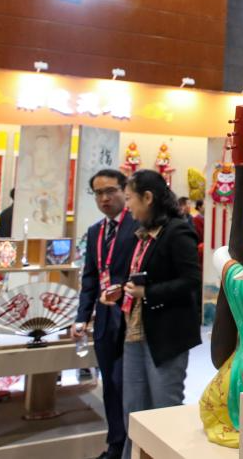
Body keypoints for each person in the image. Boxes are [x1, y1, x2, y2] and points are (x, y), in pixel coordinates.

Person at [119, 170, 201, 459]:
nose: (127, 206)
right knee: (134, 409)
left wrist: (148, 293)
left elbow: (191, 280)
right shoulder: (141, 234)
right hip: (135, 331)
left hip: (167, 336)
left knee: (164, 410)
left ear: (148, 197)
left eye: (129, 198)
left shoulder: (177, 231)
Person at [72, 170, 138, 459]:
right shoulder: (95, 231)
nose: (105, 198)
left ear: (125, 190)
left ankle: (131, 446)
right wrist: (82, 317)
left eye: (111, 191)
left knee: (125, 383)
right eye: (99, 193)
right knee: (109, 383)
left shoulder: (137, 225)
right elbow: (90, 278)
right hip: (103, 318)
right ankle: (115, 444)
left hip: (130, 316)